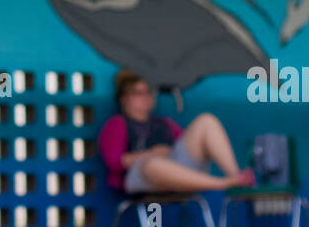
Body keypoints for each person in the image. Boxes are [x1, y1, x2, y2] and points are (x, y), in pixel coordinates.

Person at [97, 69, 255, 195]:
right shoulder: (118, 123)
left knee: (206, 120)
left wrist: (169, 153)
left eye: (148, 92)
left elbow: (188, 144)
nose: (145, 97)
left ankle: (236, 178)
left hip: (177, 169)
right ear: (124, 99)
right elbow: (115, 162)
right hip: (143, 175)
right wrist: (152, 153)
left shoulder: (164, 122)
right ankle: (221, 184)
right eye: (138, 93)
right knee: (153, 165)